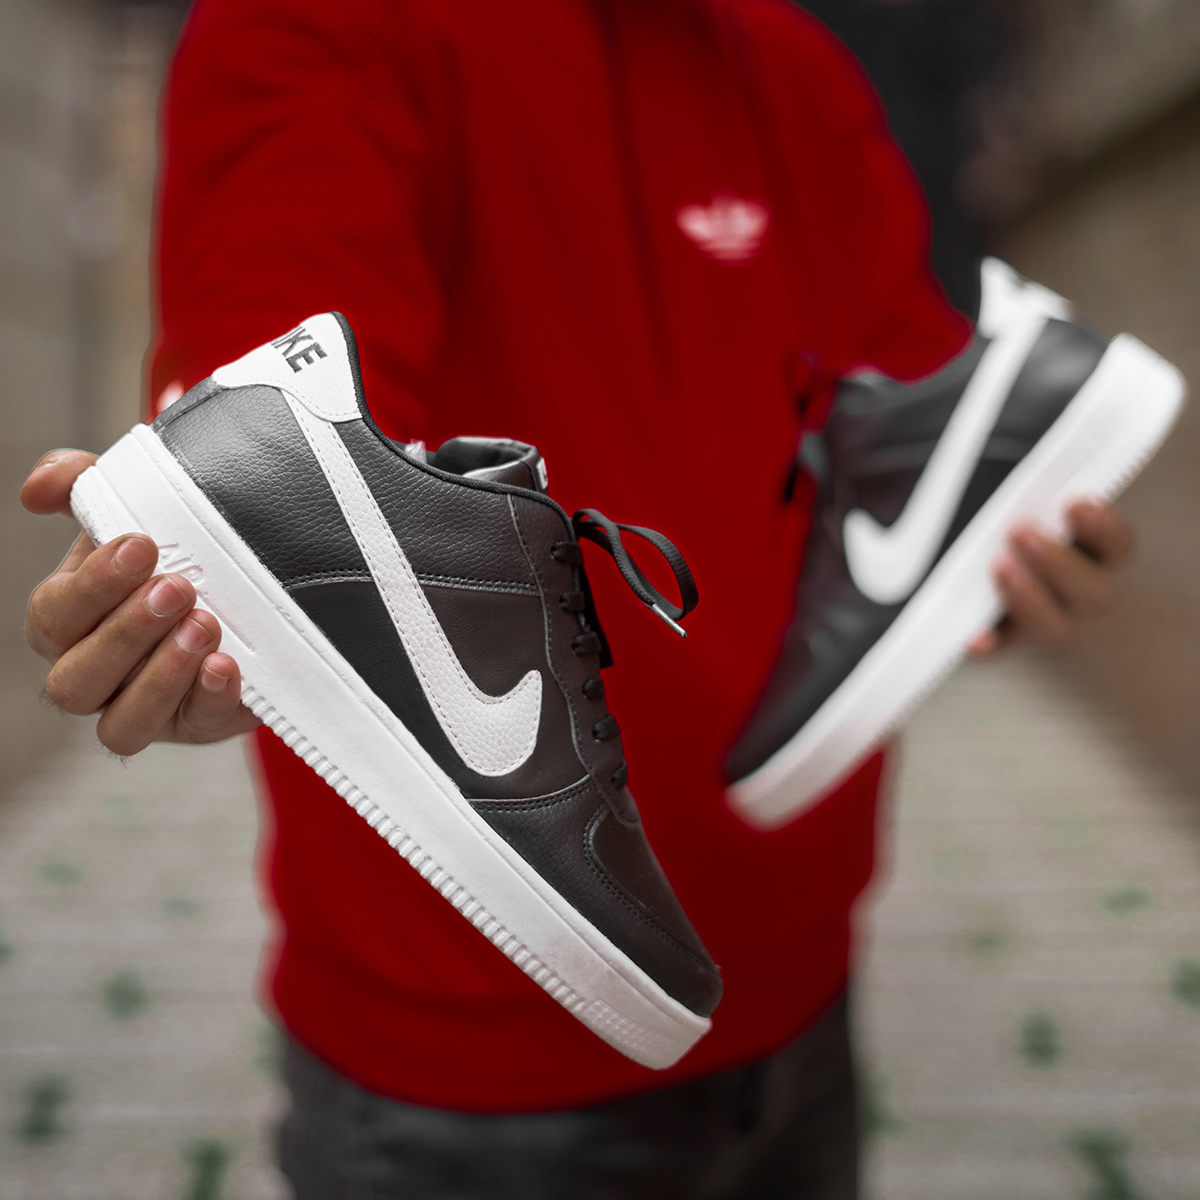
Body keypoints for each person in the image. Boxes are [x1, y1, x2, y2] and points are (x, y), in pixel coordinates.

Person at [20, 1, 1133, 1195]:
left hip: (802, 976)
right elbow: (282, 357)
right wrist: (220, 625)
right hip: (465, 1055)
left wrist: (997, 569)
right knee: (286, 470)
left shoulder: (795, 61)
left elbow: (894, 402)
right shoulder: (319, 20)